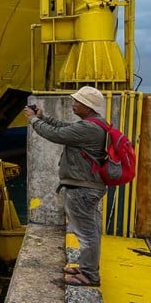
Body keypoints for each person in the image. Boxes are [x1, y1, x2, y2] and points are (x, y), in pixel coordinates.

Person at [23, 86, 107, 287]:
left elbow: (57, 135)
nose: (73, 104)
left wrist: (33, 120)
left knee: (87, 234)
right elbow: (64, 129)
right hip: (88, 186)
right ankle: (86, 268)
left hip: (83, 189)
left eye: (77, 102)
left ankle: (89, 276)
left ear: (87, 106)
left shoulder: (88, 128)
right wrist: (44, 117)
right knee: (89, 230)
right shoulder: (95, 124)